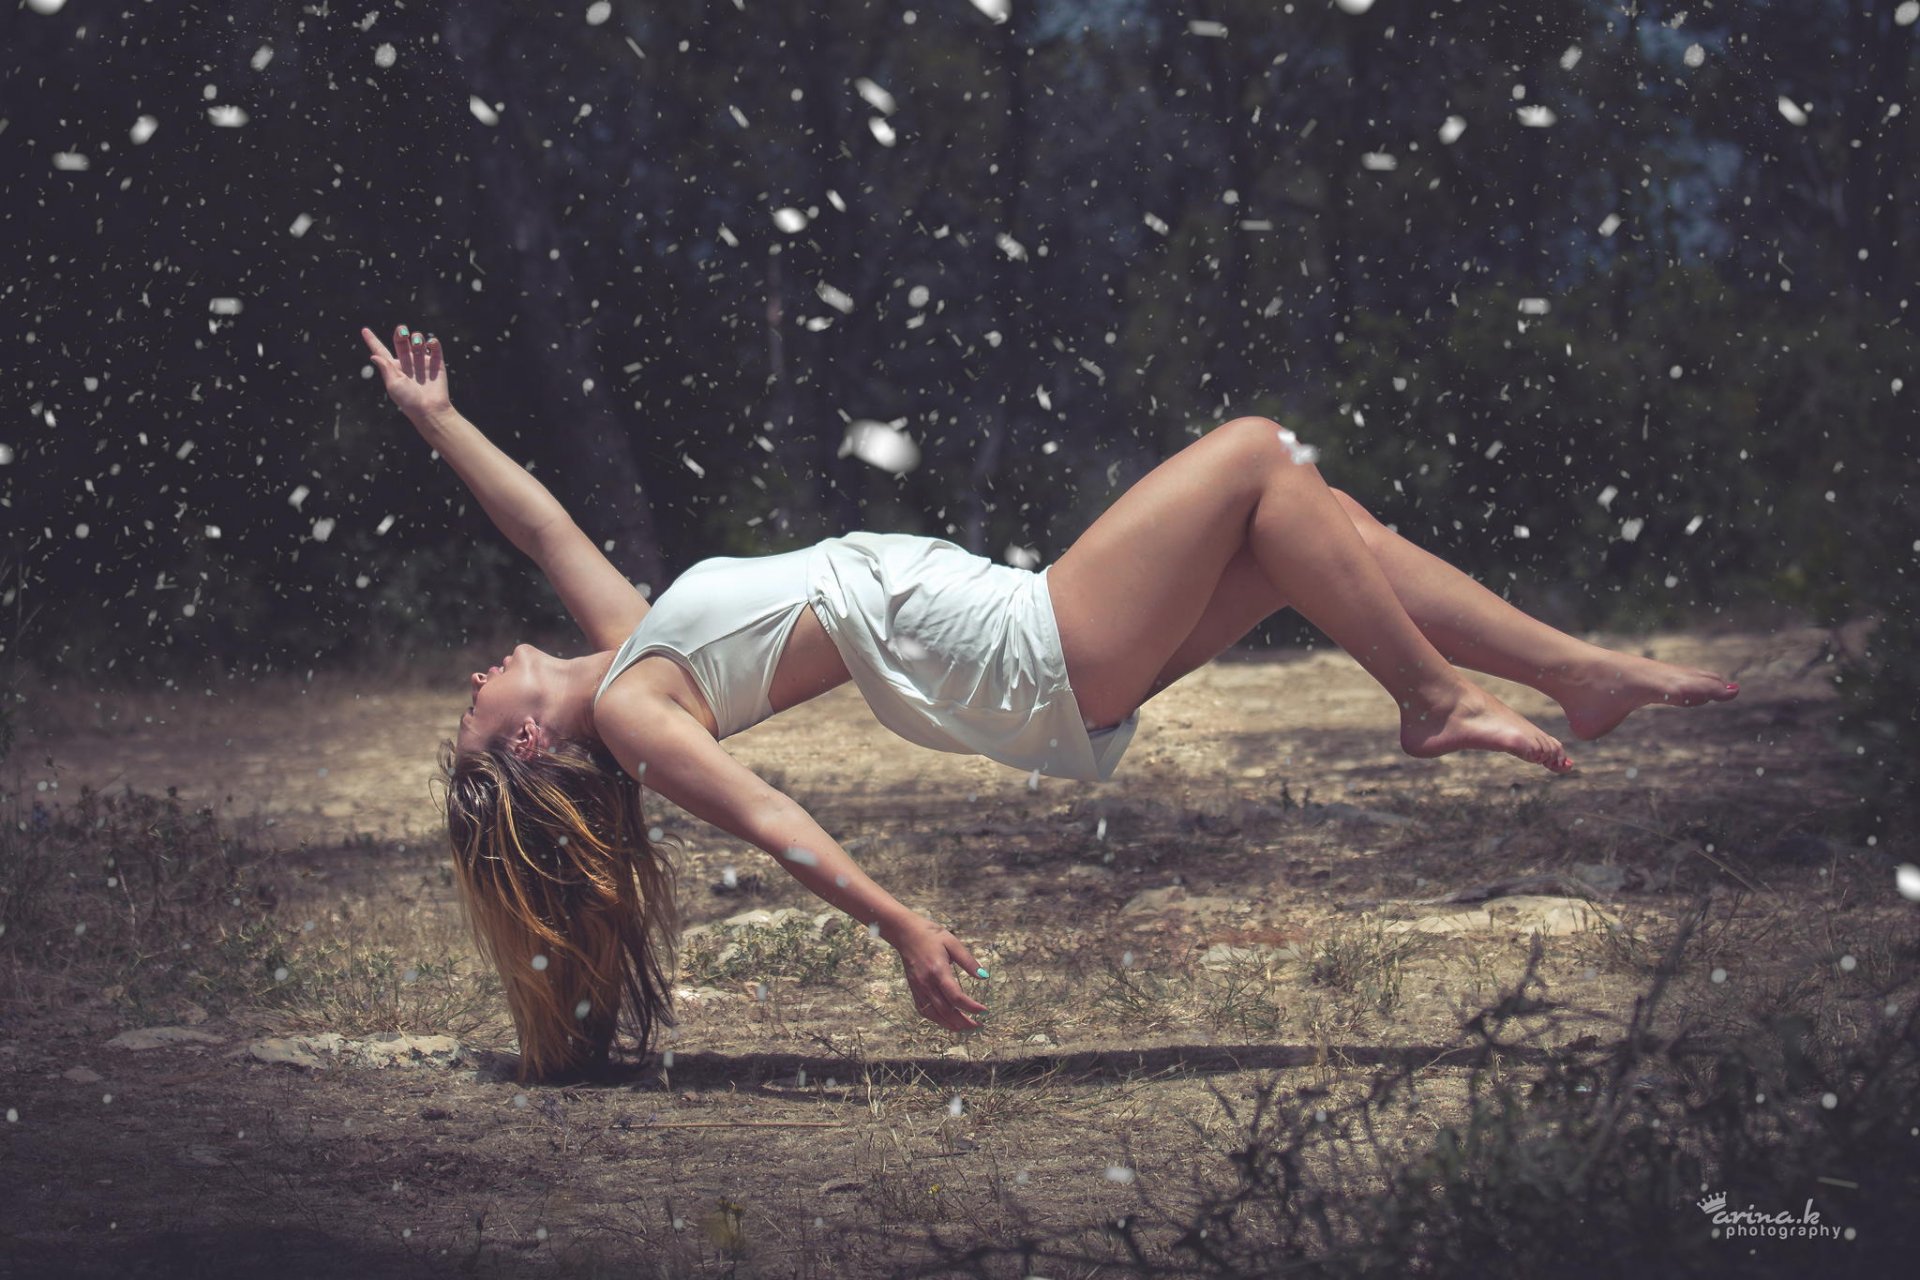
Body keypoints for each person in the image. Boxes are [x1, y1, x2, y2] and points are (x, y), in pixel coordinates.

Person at [359, 324, 1740, 1081]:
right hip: (1028, 649)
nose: (470, 688)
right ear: (530, 743)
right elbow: (776, 821)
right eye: (471, 722)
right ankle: (1433, 703)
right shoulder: (649, 725)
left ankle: (1575, 675)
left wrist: (435, 420)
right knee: (1260, 452)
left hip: (1028, 655)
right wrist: (899, 925)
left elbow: (540, 526)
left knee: (1317, 526)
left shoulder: (633, 646)